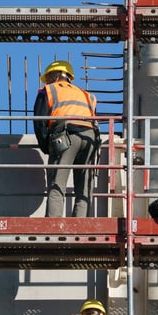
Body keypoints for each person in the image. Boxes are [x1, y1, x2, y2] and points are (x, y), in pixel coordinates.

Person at [32, 60, 100, 217]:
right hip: (90, 137)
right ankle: (80, 223)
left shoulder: (49, 90)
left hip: (65, 136)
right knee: (84, 187)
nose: (47, 81)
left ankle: (54, 224)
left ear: (55, 76)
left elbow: (40, 121)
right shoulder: (86, 95)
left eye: (48, 78)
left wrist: (45, 146)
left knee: (57, 184)